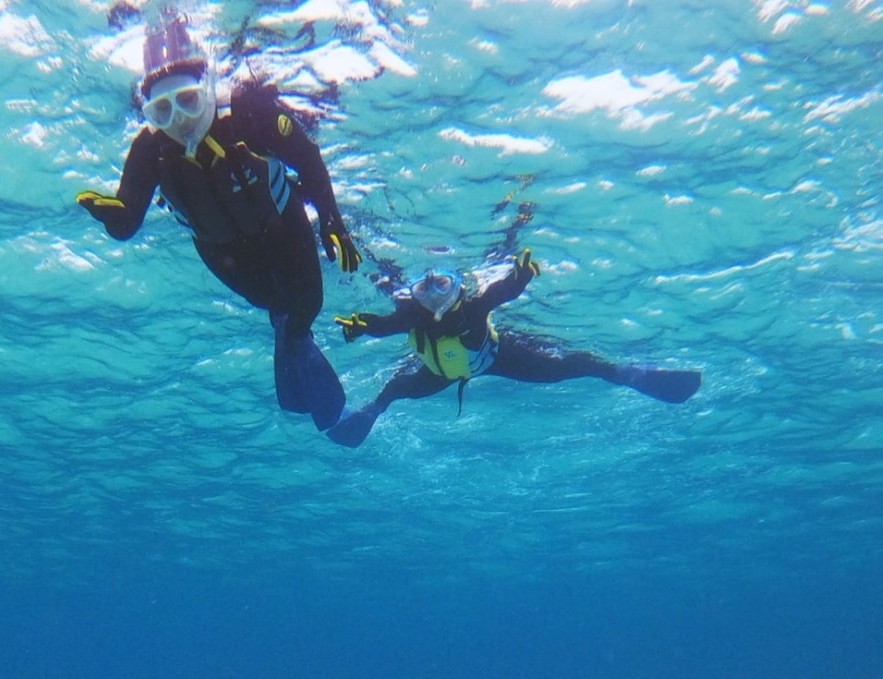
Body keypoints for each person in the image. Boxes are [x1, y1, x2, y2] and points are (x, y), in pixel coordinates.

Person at [76, 6, 361, 431]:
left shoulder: (249, 114)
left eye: (188, 101)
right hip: (219, 249)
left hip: (282, 225)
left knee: (308, 305)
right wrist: (116, 220)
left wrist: (331, 222)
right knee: (269, 302)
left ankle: (296, 334)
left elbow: (308, 158)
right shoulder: (150, 149)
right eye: (162, 112)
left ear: (207, 89)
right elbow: (128, 220)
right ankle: (289, 334)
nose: (180, 121)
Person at [327, 250, 701, 447]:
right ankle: (368, 413)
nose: (433, 297)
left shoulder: (472, 308)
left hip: (495, 357)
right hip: (439, 374)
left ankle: (626, 373)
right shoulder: (412, 315)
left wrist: (520, 277)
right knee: (395, 389)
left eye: (442, 284)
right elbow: (384, 325)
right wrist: (361, 326)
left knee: (562, 368)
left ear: (458, 287)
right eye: (425, 289)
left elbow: (497, 293)